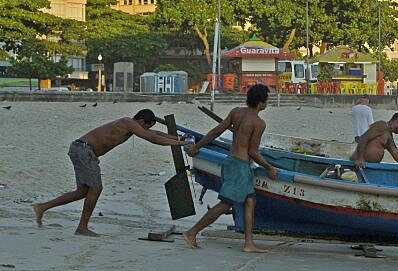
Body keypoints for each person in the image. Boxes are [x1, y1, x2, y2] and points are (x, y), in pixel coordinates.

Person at [33, 109, 187, 236]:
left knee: (82, 192)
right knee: (96, 188)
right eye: (147, 126)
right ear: (141, 122)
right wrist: (180, 143)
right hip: (83, 150)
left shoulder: (131, 125)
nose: (146, 129)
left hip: (82, 150)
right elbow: (152, 138)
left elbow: (157, 134)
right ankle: (82, 228)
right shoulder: (128, 123)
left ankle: (42, 207)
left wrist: (178, 138)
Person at [183, 84, 278, 252]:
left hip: (231, 162)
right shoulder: (258, 123)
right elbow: (253, 152)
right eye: (267, 99)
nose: (267, 102)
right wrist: (269, 167)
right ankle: (192, 232)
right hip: (240, 167)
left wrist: (197, 147)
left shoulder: (236, 112)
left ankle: (249, 243)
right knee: (225, 204)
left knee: (250, 201)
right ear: (261, 102)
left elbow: (216, 132)